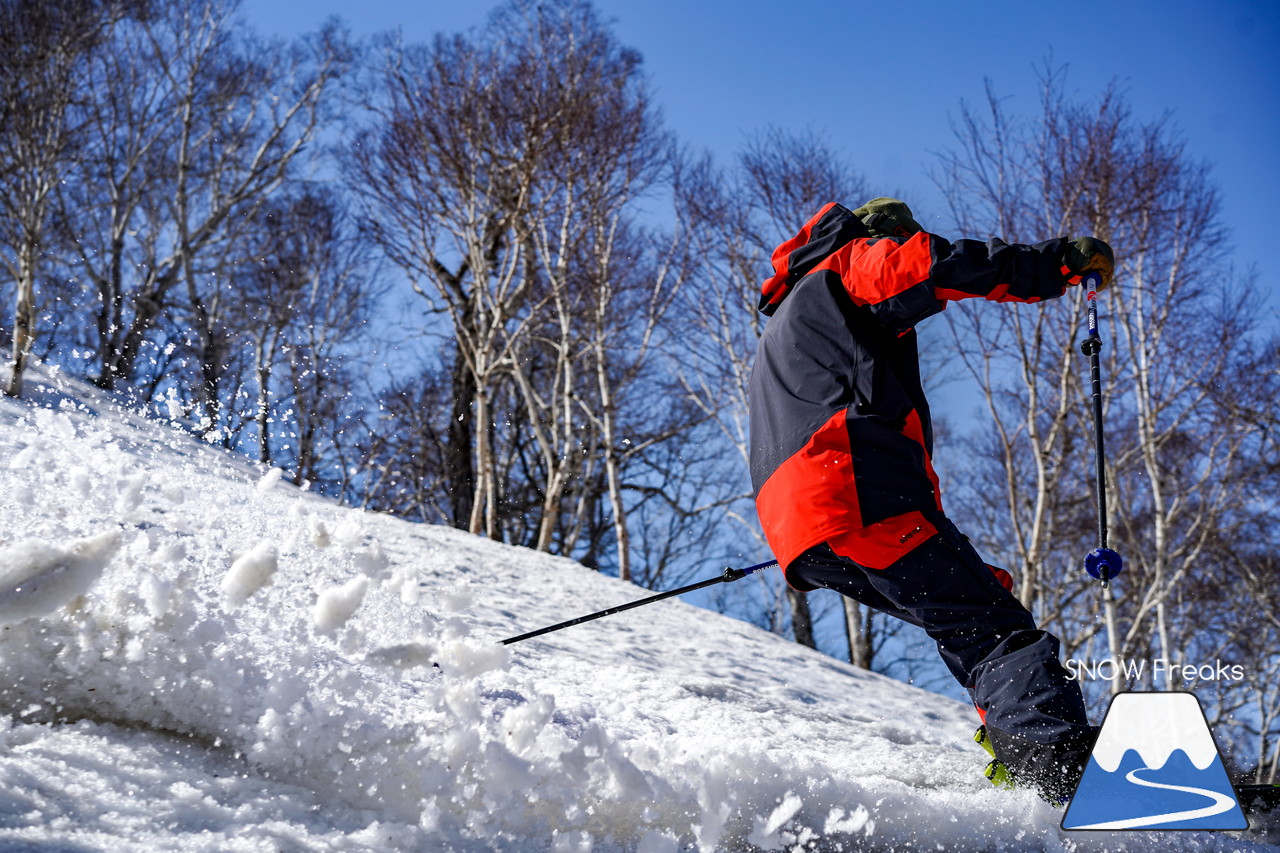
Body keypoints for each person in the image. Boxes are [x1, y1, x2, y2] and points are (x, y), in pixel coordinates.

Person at [748, 198, 1113, 803]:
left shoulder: (791, 320)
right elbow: (929, 266)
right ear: (882, 234)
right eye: (901, 236)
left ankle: (1024, 757)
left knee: (969, 614)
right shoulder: (846, 265)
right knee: (994, 630)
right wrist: (1054, 267)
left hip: (807, 528)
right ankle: (1058, 771)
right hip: (854, 485)